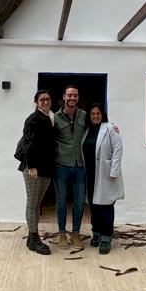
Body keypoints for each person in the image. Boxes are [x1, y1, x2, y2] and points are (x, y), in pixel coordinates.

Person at [16, 89, 55, 255]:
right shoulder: (33, 119)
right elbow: (27, 144)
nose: (45, 102)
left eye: (47, 99)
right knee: (32, 204)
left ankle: (33, 237)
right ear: (36, 102)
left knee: (37, 203)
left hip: (46, 168)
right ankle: (33, 239)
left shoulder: (50, 117)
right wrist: (31, 166)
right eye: (42, 100)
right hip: (34, 169)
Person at [82, 103, 124, 254]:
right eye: (92, 114)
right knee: (94, 206)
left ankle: (106, 237)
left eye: (98, 113)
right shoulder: (86, 130)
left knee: (106, 206)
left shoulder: (110, 129)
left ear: (102, 115)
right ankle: (97, 233)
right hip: (90, 174)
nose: (95, 116)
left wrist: (114, 171)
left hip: (106, 174)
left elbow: (118, 149)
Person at [53, 84, 87, 246]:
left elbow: (98, 126)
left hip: (80, 166)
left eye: (75, 95)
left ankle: (75, 233)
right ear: (64, 97)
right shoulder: (54, 118)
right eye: (70, 95)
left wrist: (111, 128)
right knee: (61, 201)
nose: (72, 98)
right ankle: (62, 234)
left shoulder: (84, 116)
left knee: (79, 202)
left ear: (78, 98)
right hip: (61, 165)